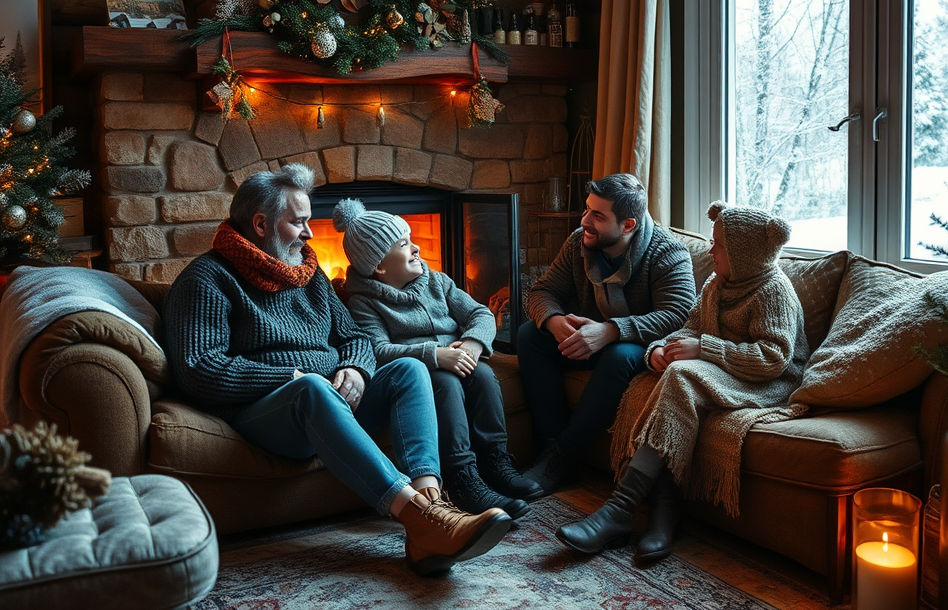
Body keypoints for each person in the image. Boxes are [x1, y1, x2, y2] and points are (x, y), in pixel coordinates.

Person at [163, 164, 511, 577]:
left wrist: (357, 370)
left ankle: (431, 507)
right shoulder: (207, 279)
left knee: (406, 370)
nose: (310, 233)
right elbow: (200, 369)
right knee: (311, 387)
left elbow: (356, 339)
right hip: (269, 412)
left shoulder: (308, 275)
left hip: (334, 395)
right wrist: (289, 378)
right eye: (299, 222)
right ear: (260, 224)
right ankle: (416, 517)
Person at [557, 200, 809, 562]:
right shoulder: (716, 283)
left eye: (718, 245)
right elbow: (687, 328)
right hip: (727, 368)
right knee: (652, 379)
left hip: (767, 380)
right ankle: (663, 511)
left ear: (744, 253)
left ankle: (619, 509)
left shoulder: (773, 291)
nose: (711, 250)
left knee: (681, 376)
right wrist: (659, 349)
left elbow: (772, 359)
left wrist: (703, 348)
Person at [333, 199, 543, 520]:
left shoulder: (437, 281)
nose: (416, 247)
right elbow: (378, 349)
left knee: (484, 375)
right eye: (403, 244)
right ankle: (461, 476)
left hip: (460, 357)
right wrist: (435, 355)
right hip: (424, 371)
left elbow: (479, 313)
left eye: (413, 238)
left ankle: (495, 461)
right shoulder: (364, 302)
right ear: (379, 266)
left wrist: (472, 344)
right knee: (444, 382)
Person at [517, 173, 697, 496]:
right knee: (530, 334)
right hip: (590, 338)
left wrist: (612, 331)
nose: (585, 220)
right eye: (587, 210)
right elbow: (541, 292)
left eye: (598, 216)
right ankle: (549, 449)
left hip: (641, 350)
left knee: (618, 355)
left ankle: (563, 458)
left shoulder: (669, 254)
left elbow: (678, 316)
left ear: (628, 225)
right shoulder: (578, 243)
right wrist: (555, 321)